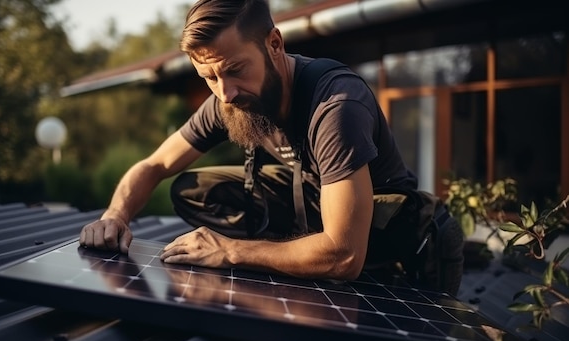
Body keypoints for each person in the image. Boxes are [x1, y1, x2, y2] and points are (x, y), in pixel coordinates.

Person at [79, 0, 464, 295]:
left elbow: (345, 256)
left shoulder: (336, 106)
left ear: (274, 44)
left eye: (235, 69)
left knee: (340, 258)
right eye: (208, 76)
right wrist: (115, 216)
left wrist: (231, 251)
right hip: (318, 203)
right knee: (194, 188)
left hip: (391, 237)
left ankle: (305, 251)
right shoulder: (227, 97)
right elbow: (155, 165)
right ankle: (300, 250)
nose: (225, 93)